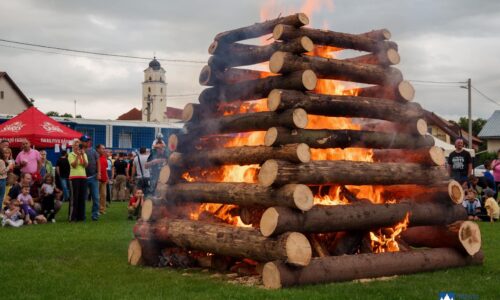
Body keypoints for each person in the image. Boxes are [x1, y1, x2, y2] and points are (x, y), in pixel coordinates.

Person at [80, 135, 100, 221]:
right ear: (81, 142)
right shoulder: (79, 151)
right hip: (82, 177)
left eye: (88, 141)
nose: (88, 142)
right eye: (86, 141)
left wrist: (99, 173)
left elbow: (98, 162)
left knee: (96, 197)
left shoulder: (93, 151)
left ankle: (95, 215)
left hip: (93, 177)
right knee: (83, 198)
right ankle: (82, 215)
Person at [68, 139, 88, 222]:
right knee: (74, 197)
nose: (77, 147)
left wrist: (82, 155)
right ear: (72, 146)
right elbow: (74, 165)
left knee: (82, 197)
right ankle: (72, 217)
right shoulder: (70, 154)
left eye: (78, 145)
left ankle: (81, 216)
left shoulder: (84, 154)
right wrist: (77, 156)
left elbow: (85, 165)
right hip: (74, 177)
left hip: (83, 177)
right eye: (75, 145)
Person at [96, 144, 108, 215]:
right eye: (102, 148)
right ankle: (96, 209)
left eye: (104, 148)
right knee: (96, 196)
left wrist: (107, 177)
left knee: (104, 195)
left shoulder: (104, 157)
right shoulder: (95, 156)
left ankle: (102, 209)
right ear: (98, 149)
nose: (104, 150)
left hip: (104, 179)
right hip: (97, 179)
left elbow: (105, 169)